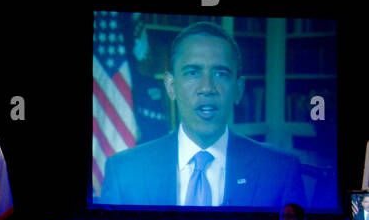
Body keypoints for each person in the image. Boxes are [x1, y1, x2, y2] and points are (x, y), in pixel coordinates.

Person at [98, 21, 304, 207]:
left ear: (238, 89)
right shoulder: (124, 172)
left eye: (220, 74)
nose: (207, 87)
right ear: (171, 86)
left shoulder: (281, 171)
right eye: (192, 72)